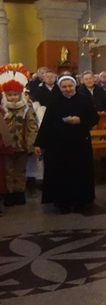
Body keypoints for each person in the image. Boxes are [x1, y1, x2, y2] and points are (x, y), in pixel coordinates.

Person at [35, 75, 100, 213]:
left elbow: (94, 118)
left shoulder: (84, 99)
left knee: (80, 172)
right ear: (60, 88)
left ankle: (80, 202)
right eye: (64, 87)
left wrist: (80, 120)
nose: (68, 89)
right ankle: (62, 202)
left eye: (70, 86)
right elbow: (46, 123)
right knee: (60, 173)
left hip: (79, 143)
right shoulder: (55, 101)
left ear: (75, 86)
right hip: (58, 144)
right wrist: (39, 143)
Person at [0, 65, 39, 207]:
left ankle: (20, 192)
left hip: (22, 145)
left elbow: (32, 127)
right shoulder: (3, 110)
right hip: (7, 146)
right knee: (9, 171)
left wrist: (31, 144)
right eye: (10, 95)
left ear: (20, 94)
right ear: (5, 95)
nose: (13, 97)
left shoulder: (26, 109)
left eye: (16, 94)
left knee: (21, 170)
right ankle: (10, 193)